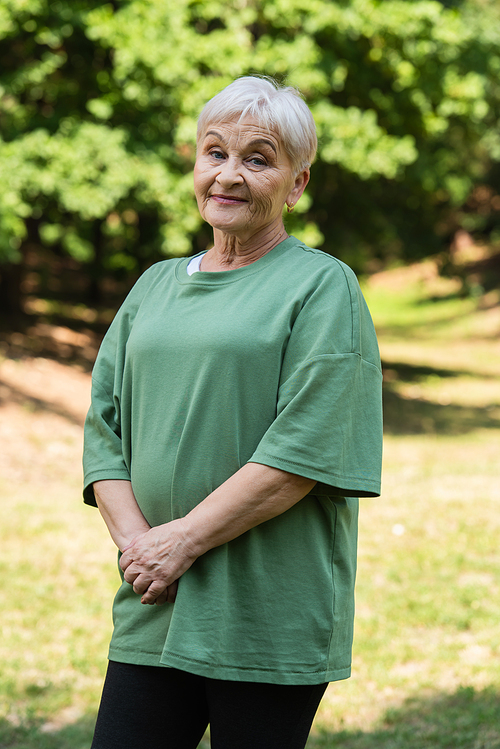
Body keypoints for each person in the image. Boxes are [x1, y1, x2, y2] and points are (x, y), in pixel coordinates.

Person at [83, 75, 383, 749]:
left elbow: (302, 451)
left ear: (297, 183)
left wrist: (180, 541)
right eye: (214, 152)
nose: (229, 175)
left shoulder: (321, 286)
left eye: (258, 158)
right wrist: (141, 549)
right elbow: (104, 430)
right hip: (154, 602)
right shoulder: (153, 285)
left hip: (265, 607)